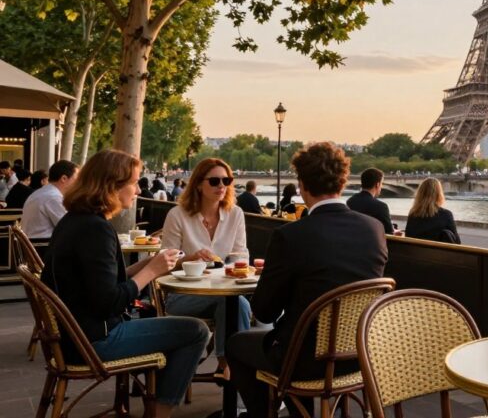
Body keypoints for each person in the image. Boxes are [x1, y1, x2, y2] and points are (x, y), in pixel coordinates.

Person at [40, 150, 209, 418]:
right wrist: (152, 271)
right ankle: (160, 412)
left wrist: (148, 265)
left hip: (73, 337)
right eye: (134, 181)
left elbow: (101, 284)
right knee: (196, 331)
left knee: (169, 324)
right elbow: (109, 300)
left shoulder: (75, 221)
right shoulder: (96, 229)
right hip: (94, 341)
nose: (138, 189)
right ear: (112, 186)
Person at [227, 142, 387, 418]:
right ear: (342, 180)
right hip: (359, 356)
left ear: (301, 185)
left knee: (236, 344)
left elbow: (265, 310)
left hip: (303, 361)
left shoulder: (291, 236)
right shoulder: (374, 229)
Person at [160, 158, 250, 375]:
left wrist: (232, 266)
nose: (222, 186)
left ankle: (228, 365)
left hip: (222, 292)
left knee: (234, 303)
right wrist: (192, 258)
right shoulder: (177, 215)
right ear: (199, 184)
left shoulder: (235, 214)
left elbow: (241, 255)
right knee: (238, 304)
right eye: (215, 181)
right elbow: (164, 262)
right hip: (183, 294)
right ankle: (236, 368)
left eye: (226, 180)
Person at [21, 160, 78, 239]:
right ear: (64, 178)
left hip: (35, 245)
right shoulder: (53, 197)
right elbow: (70, 228)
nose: (78, 183)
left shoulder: (42, 192)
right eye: (76, 178)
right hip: (44, 248)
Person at [405, 178, 460, 244]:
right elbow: (457, 243)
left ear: (420, 193)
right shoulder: (446, 215)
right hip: (439, 254)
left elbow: (407, 236)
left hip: (414, 253)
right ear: (439, 194)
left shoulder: (413, 214)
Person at [347, 167, 395, 234]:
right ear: (377, 185)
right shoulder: (381, 206)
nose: (381, 186)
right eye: (381, 183)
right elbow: (389, 232)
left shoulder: (350, 201)